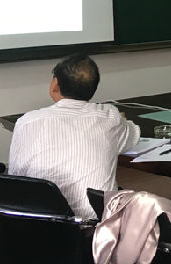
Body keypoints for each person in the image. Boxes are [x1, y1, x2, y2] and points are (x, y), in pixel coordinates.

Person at [8, 54, 140, 219]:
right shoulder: (109, 116)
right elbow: (133, 137)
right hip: (95, 223)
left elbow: (15, 178)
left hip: (36, 221)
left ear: (55, 84)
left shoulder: (27, 121)